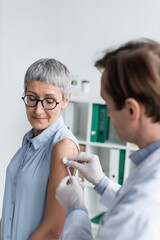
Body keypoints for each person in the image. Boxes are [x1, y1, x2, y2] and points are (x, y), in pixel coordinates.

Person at [56, 39, 160, 239]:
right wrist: (101, 182)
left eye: (107, 104)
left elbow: (132, 210)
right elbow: (128, 201)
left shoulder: (140, 210)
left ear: (131, 109)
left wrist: (76, 208)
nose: (108, 114)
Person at [0, 58, 79, 240]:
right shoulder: (28, 139)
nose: (38, 110)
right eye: (32, 98)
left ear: (65, 100)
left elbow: (53, 230)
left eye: (49, 101)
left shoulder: (63, 147)